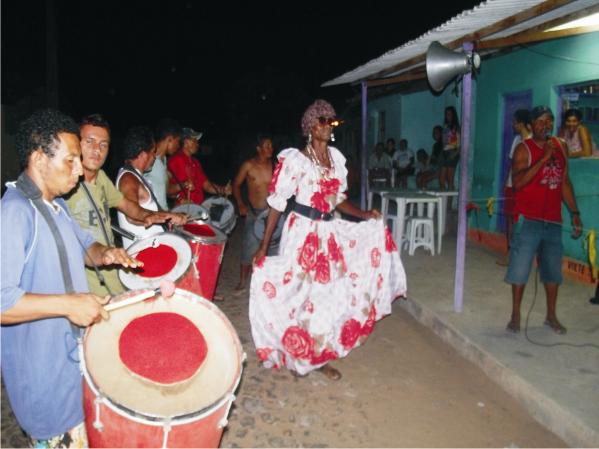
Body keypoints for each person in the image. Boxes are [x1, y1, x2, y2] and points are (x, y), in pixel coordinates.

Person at [1, 109, 140, 447]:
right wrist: (69, 305)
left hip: (72, 364)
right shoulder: (15, 212)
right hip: (45, 375)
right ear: (39, 158)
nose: (80, 170)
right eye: (71, 160)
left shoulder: (57, 206)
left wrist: (106, 254)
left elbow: (85, 247)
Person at [249, 99, 407, 381]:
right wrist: (263, 246)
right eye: (322, 120)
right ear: (310, 125)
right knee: (299, 292)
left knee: (326, 294)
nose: (328, 125)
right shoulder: (295, 160)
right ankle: (296, 351)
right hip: (302, 233)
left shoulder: (335, 158)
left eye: (331, 121)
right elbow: (278, 203)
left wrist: (363, 215)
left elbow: (337, 200)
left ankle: (317, 356)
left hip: (328, 231)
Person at [65, 114, 186, 296]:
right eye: (89, 141)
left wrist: (153, 216)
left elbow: (129, 206)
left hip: (111, 272)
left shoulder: (102, 178)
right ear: (75, 143)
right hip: (84, 283)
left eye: (103, 144)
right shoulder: (64, 186)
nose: (96, 149)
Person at [505, 106, 583, 334]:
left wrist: (575, 213)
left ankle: (551, 316)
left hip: (554, 221)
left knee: (552, 273)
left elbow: (564, 182)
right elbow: (518, 183)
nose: (545, 125)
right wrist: (543, 159)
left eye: (549, 121)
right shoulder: (523, 149)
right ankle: (515, 315)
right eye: (540, 121)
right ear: (530, 125)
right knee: (519, 270)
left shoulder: (560, 146)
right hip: (528, 221)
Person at [116, 126, 186, 247]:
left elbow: (152, 211)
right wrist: (168, 216)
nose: (154, 156)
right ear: (143, 154)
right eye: (153, 152)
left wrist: (172, 217)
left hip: (154, 247)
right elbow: (131, 216)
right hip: (145, 254)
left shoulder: (136, 177)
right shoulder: (128, 179)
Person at [232, 134, 274, 293]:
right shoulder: (248, 165)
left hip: (271, 214)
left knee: (271, 248)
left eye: (271, 145)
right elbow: (236, 185)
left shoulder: (275, 165)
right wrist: (241, 204)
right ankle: (243, 281)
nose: (270, 149)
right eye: (267, 145)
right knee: (248, 248)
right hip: (254, 213)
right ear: (259, 148)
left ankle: (268, 282)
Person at [497, 109, 532, 266]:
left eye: (514, 121)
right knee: (510, 219)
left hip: (525, 187)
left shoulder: (532, 141)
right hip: (512, 185)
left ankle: (521, 254)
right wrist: (506, 182)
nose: (512, 124)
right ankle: (510, 252)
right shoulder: (517, 140)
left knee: (523, 220)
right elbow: (511, 165)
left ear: (522, 123)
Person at [167, 127, 232, 206]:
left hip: (198, 207)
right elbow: (166, 188)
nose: (197, 144)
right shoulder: (175, 160)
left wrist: (222, 190)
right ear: (186, 142)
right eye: (195, 141)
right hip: (183, 209)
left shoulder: (195, 162)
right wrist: (179, 198)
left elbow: (206, 185)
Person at [144, 118, 182, 209]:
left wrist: (182, 186)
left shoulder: (163, 160)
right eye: (177, 141)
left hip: (163, 214)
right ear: (170, 139)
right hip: (151, 215)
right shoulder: (148, 159)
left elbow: (166, 190)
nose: (178, 146)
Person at [440, 106, 461, 191]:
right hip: (445, 152)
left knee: (450, 180)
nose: (447, 116)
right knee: (441, 179)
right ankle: (443, 201)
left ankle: (448, 203)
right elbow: (443, 141)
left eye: (449, 114)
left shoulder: (456, 127)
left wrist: (455, 153)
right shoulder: (445, 126)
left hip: (453, 152)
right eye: (446, 114)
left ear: (453, 115)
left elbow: (459, 143)